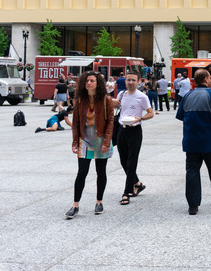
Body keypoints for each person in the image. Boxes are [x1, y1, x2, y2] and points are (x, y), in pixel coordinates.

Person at [175, 69, 211, 215]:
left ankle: (193, 205)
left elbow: (181, 116)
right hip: (210, 141)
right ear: (206, 79)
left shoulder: (187, 95)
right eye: (210, 78)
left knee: (192, 171)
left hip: (191, 141)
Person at [65, 71, 114, 219]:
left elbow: (110, 122)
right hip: (84, 139)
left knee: (101, 171)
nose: (89, 83)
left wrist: (106, 142)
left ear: (97, 83)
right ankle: (75, 205)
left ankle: (99, 201)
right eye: (86, 81)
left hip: (101, 139)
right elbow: (75, 123)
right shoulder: (80, 100)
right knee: (82, 172)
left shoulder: (106, 100)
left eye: (92, 81)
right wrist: (74, 141)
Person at [114, 70, 154, 205]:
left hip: (135, 131)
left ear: (138, 82)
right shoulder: (121, 94)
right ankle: (137, 183)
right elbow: (116, 105)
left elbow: (151, 113)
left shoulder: (142, 96)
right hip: (121, 130)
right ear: (125, 81)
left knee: (132, 162)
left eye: (133, 80)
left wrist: (140, 118)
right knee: (123, 162)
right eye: (128, 80)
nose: (130, 83)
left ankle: (126, 192)